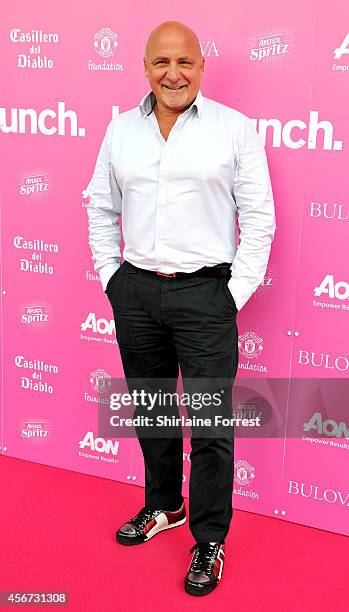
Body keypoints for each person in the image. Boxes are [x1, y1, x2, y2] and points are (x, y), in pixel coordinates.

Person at [86, 20, 276, 596]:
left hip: (206, 297)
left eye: (185, 62)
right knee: (152, 411)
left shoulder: (234, 130)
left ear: (201, 65)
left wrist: (231, 296)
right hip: (136, 291)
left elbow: (260, 218)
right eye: (162, 63)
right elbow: (100, 208)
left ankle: (210, 539)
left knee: (212, 426)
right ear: (145, 67)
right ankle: (164, 506)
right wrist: (112, 278)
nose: (173, 74)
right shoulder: (120, 131)